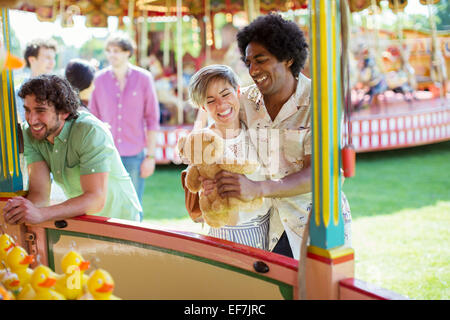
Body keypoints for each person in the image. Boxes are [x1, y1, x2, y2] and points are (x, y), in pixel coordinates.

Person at [206, 14, 352, 259]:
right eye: (248, 62)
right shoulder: (245, 101)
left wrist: (258, 187)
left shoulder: (320, 102)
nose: (253, 70)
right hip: (261, 226)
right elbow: (218, 139)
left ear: (288, 59)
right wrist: (206, 175)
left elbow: (320, 173)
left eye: (261, 60)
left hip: (314, 224)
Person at [2, 75, 142, 225]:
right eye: (28, 110)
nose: (32, 119)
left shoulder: (90, 131)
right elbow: (40, 195)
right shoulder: (30, 133)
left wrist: (42, 214)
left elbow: (95, 199)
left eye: (40, 111)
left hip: (121, 220)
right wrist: (19, 213)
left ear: (64, 112)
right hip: (85, 220)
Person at [186, 64, 271, 250]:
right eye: (211, 101)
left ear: (238, 91)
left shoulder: (254, 128)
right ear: (203, 107)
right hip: (230, 232)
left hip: (268, 230)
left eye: (226, 94)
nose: (221, 105)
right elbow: (198, 183)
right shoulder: (206, 143)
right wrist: (207, 190)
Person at [89, 33, 160, 219]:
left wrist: (150, 157)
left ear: (128, 53)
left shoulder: (144, 79)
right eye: (109, 51)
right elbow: (92, 119)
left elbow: (152, 119)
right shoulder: (98, 80)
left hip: (134, 155)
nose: (112, 55)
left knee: (133, 207)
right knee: (105, 206)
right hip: (105, 153)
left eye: (117, 51)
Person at [16, 38, 58, 123]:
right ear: (32, 60)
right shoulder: (18, 92)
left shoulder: (58, 90)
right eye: (47, 57)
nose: (52, 62)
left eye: (53, 58)